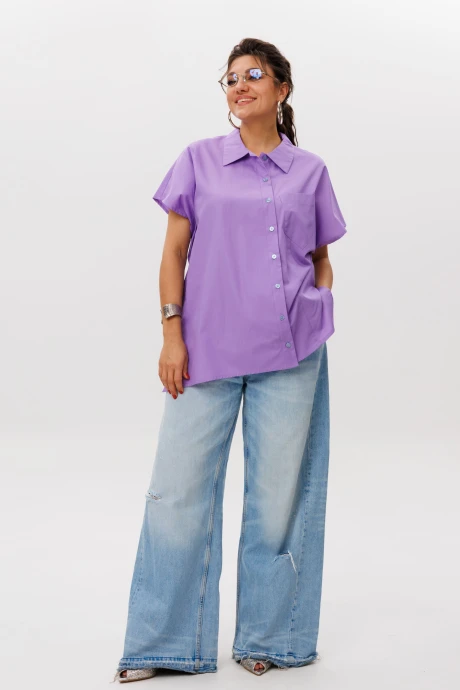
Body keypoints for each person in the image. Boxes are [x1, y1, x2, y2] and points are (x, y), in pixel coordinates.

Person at [113, 37, 348, 683]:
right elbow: (173, 253)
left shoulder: (310, 171)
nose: (239, 85)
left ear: (281, 89)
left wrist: (319, 304)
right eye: (231, 78)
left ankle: (271, 638)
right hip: (206, 350)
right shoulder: (198, 160)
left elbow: (321, 257)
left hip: (291, 353)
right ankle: (163, 645)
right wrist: (172, 334)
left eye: (253, 75)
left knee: (278, 501)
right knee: (177, 494)